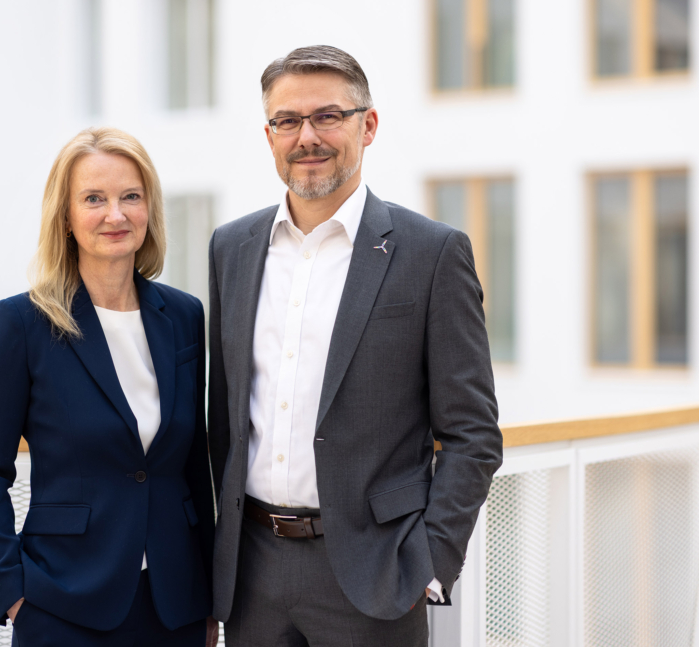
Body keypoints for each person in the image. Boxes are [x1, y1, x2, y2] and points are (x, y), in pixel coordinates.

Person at [206, 45, 503, 646]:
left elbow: (473, 433)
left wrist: (429, 564)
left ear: (367, 126)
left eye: (327, 116)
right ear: (269, 135)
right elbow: (224, 417)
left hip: (375, 575)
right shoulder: (231, 247)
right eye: (288, 121)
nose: (307, 137)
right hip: (251, 572)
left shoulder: (432, 253)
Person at [0, 127, 219, 647]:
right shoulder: (23, 323)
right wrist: (10, 590)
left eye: (131, 197)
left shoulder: (184, 316)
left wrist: (210, 595)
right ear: (66, 216)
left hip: (176, 603)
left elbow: (196, 465)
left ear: (150, 209)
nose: (115, 215)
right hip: (63, 601)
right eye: (94, 199)